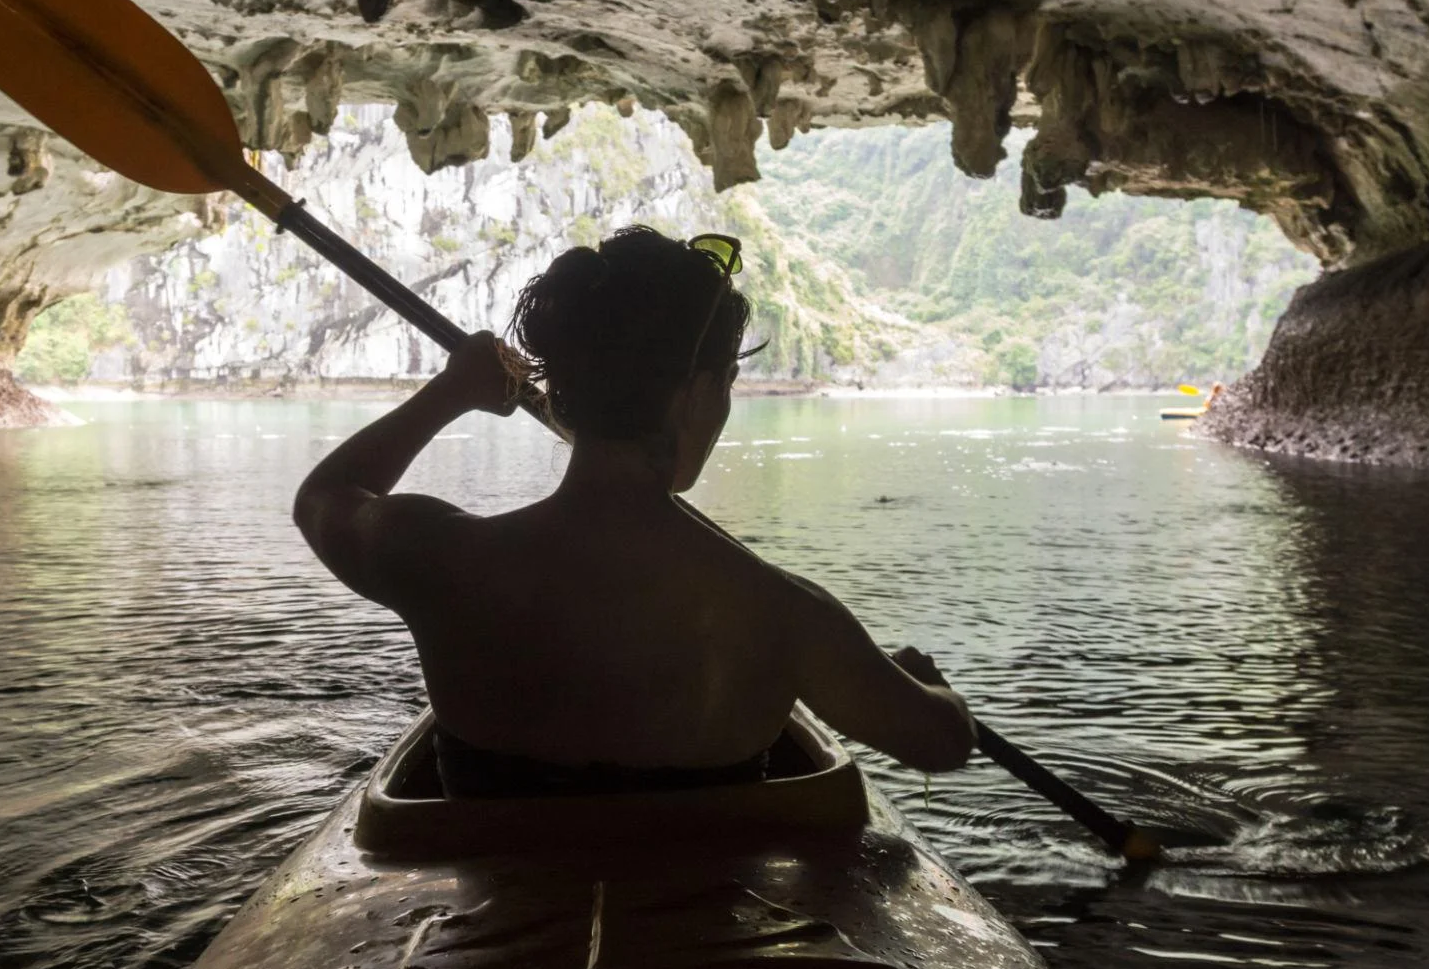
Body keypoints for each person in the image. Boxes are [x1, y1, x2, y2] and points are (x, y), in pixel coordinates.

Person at [293, 226, 975, 797]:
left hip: (501, 913)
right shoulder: (784, 614)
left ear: (564, 389)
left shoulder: (441, 558)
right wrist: (925, 685)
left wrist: (451, 391)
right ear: (699, 393)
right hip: (696, 918)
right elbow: (942, 741)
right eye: (728, 383)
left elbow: (323, 497)